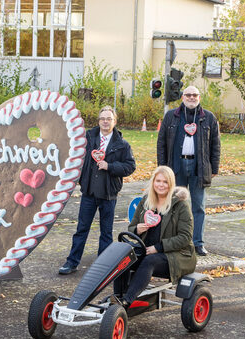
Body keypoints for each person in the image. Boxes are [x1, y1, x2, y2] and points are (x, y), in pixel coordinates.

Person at [59, 106, 136, 274]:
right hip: (89, 192)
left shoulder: (122, 145)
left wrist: (110, 166)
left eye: (109, 119)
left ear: (115, 122)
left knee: (106, 232)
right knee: (81, 229)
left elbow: (130, 167)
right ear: (98, 121)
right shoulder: (87, 139)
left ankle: (102, 268)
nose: (105, 122)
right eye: (103, 119)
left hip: (108, 193)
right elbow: (75, 158)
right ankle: (72, 262)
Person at [113, 166, 197, 307]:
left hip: (177, 255)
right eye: (158, 181)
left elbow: (185, 237)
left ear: (171, 184)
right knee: (122, 258)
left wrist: (158, 248)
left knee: (150, 261)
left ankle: (127, 300)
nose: (161, 185)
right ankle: (117, 298)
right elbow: (132, 227)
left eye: (165, 182)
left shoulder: (180, 206)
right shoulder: (146, 201)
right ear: (153, 182)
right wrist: (137, 229)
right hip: (147, 251)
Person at [157, 86, 221, 256]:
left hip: (198, 167)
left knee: (198, 206)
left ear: (199, 97)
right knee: (173, 204)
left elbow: (215, 145)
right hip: (175, 166)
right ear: (182, 97)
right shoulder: (171, 116)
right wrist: (162, 169)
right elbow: (161, 143)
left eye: (195, 95)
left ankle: (197, 242)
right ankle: (172, 241)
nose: (191, 97)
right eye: (188, 95)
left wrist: (214, 168)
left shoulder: (208, 118)